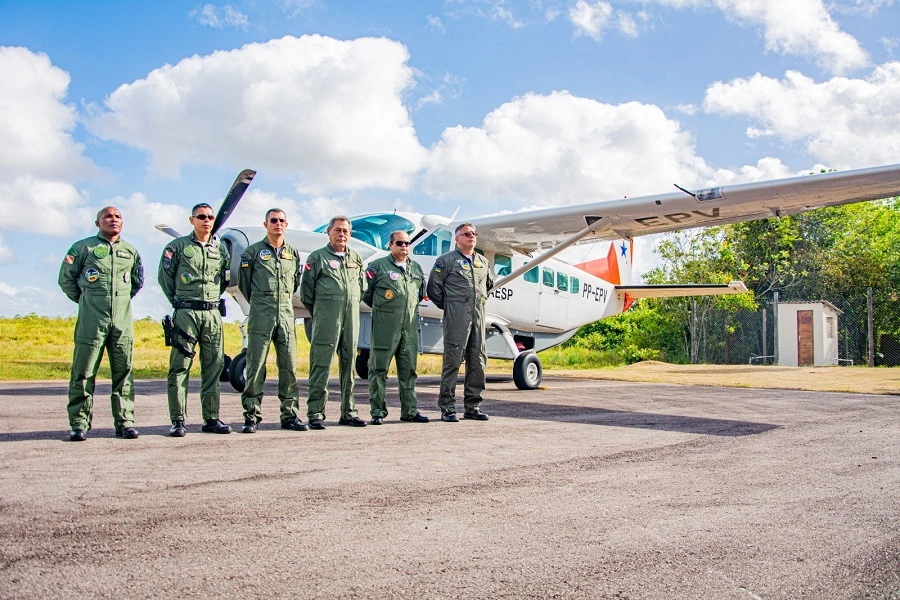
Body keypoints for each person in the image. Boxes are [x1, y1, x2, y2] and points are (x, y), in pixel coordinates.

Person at [58, 206, 144, 441]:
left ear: (122, 223)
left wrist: (118, 301)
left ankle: (125, 422)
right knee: (83, 372)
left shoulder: (130, 251)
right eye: (107, 216)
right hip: (91, 321)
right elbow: (66, 279)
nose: (113, 219)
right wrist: (87, 300)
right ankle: (79, 424)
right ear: (97, 223)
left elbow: (136, 282)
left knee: (124, 372)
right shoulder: (82, 248)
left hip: (122, 322)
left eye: (118, 216)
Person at [158, 203, 232, 436]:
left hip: (212, 314)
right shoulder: (176, 247)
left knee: (214, 367)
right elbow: (165, 279)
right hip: (186, 313)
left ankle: (211, 418)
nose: (207, 220)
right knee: (180, 367)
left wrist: (209, 300)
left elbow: (224, 280)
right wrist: (181, 302)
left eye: (210, 217)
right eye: (201, 216)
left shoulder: (221, 250)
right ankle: (178, 420)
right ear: (192, 220)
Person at [237, 209, 306, 433]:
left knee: (289, 366)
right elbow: (245, 285)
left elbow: (295, 283)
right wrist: (261, 302)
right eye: (273, 221)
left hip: (286, 313)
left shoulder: (293, 254)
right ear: (265, 224)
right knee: (256, 365)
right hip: (261, 312)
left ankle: (289, 415)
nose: (278, 224)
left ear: (286, 224)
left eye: (281, 221)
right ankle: (252, 416)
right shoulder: (252, 252)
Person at [300, 215, 367, 429]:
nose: (342, 234)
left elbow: (362, 288)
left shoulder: (356, 258)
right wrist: (322, 311)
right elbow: (306, 293)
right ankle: (316, 412)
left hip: (351, 318)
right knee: (322, 365)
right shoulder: (317, 257)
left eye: (346, 231)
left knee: (349, 366)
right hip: (327, 319)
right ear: (329, 232)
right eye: (337, 230)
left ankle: (348, 411)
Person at [426, 222, 494, 422]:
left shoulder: (483, 262)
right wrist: (451, 306)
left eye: (473, 233)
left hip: (478, 316)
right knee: (453, 361)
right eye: (466, 234)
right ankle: (447, 408)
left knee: (478, 361)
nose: (471, 236)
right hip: (456, 316)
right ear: (457, 239)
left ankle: (473, 406)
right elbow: (433, 290)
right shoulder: (446, 261)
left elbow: (488, 286)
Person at [362, 230, 429, 425]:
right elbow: (367, 294)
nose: (404, 247)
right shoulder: (377, 267)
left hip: (409, 328)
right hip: (385, 326)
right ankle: (377, 412)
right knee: (378, 369)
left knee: (408, 371)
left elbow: (419, 295)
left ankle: (410, 411)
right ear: (390, 245)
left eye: (407, 243)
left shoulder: (415, 269)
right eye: (399, 243)